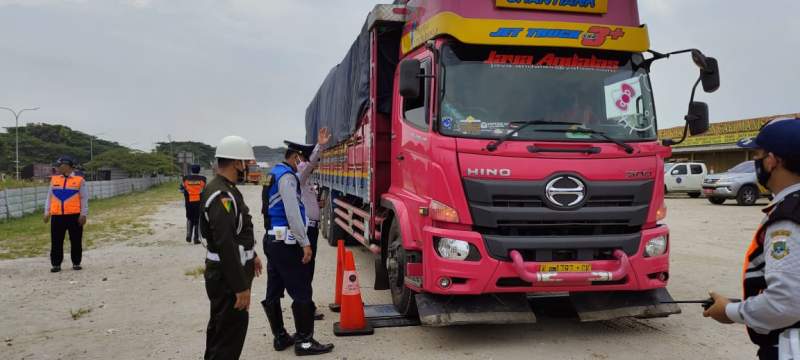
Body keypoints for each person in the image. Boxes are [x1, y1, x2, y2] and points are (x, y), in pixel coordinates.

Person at [703, 117, 800, 360]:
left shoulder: (788, 219)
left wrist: (730, 311)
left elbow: (785, 302)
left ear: (772, 161)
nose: (754, 162)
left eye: (757, 155)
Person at [260, 136, 334, 356]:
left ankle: (281, 337)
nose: (303, 163)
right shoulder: (288, 178)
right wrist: (305, 243)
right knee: (302, 289)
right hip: (287, 242)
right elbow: (293, 213)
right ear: (295, 157)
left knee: (274, 289)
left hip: (272, 240)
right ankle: (304, 342)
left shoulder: (273, 174)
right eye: (301, 159)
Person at [201, 135, 263, 360]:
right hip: (228, 279)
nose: (247, 168)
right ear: (237, 163)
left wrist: (252, 254)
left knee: (222, 332)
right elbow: (225, 243)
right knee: (228, 339)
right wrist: (240, 287)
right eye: (246, 163)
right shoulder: (222, 195)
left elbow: (237, 234)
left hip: (227, 274)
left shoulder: (226, 188)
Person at [285, 127, 331, 321]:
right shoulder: (298, 173)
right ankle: (305, 306)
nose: (309, 163)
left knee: (307, 269)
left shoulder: (300, 179)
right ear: (297, 158)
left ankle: (306, 304)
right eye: (303, 159)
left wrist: (315, 203)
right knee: (305, 269)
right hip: (307, 228)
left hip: (311, 226)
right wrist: (320, 146)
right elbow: (310, 164)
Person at [43, 156, 88, 273]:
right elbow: (49, 197)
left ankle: (76, 262)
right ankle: (56, 264)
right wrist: (46, 212)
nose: (58, 167)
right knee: (56, 241)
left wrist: (84, 214)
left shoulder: (79, 180)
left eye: (60, 165)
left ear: (68, 166)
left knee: (76, 240)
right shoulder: (54, 180)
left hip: (74, 216)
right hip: (57, 216)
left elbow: (84, 198)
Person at [180, 164, 207, 244]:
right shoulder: (203, 179)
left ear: (191, 170)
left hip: (189, 202)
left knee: (189, 217)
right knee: (198, 219)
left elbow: (181, 189)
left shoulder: (185, 179)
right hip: (199, 202)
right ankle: (196, 238)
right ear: (199, 170)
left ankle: (188, 234)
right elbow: (204, 189)